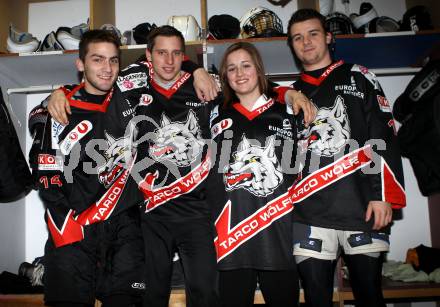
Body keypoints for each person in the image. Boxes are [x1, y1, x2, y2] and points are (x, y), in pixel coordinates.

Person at [46, 25, 313, 307]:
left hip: (197, 215)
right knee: (151, 297)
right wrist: (59, 92)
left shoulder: (205, 85)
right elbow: (94, 83)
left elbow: (248, 85)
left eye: (177, 54)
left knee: (206, 296)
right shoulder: (133, 85)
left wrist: (289, 94)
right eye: (161, 53)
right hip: (150, 215)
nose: (169, 61)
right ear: (148, 56)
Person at [286, 9, 406, 307]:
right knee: (316, 300)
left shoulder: (359, 76)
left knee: (369, 295)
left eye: (313, 34)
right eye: (297, 37)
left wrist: (383, 195)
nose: (306, 42)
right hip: (308, 213)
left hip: (361, 207)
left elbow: (384, 134)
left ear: (328, 37)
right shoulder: (292, 93)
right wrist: (284, 94)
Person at [28, 29, 145, 307]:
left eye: (114, 60)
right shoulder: (59, 110)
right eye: (97, 60)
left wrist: (196, 69)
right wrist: (66, 225)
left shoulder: (132, 97)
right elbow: (45, 172)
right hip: (75, 229)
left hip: (125, 229)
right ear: (80, 64)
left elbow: (165, 60)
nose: (107, 69)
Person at [208, 41, 300, 307]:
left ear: (259, 69)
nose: (239, 73)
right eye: (232, 68)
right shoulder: (215, 117)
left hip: (277, 232)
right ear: (225, 77)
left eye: (246, 65)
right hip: (232, 235)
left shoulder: (288, 112)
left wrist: (287, 93)